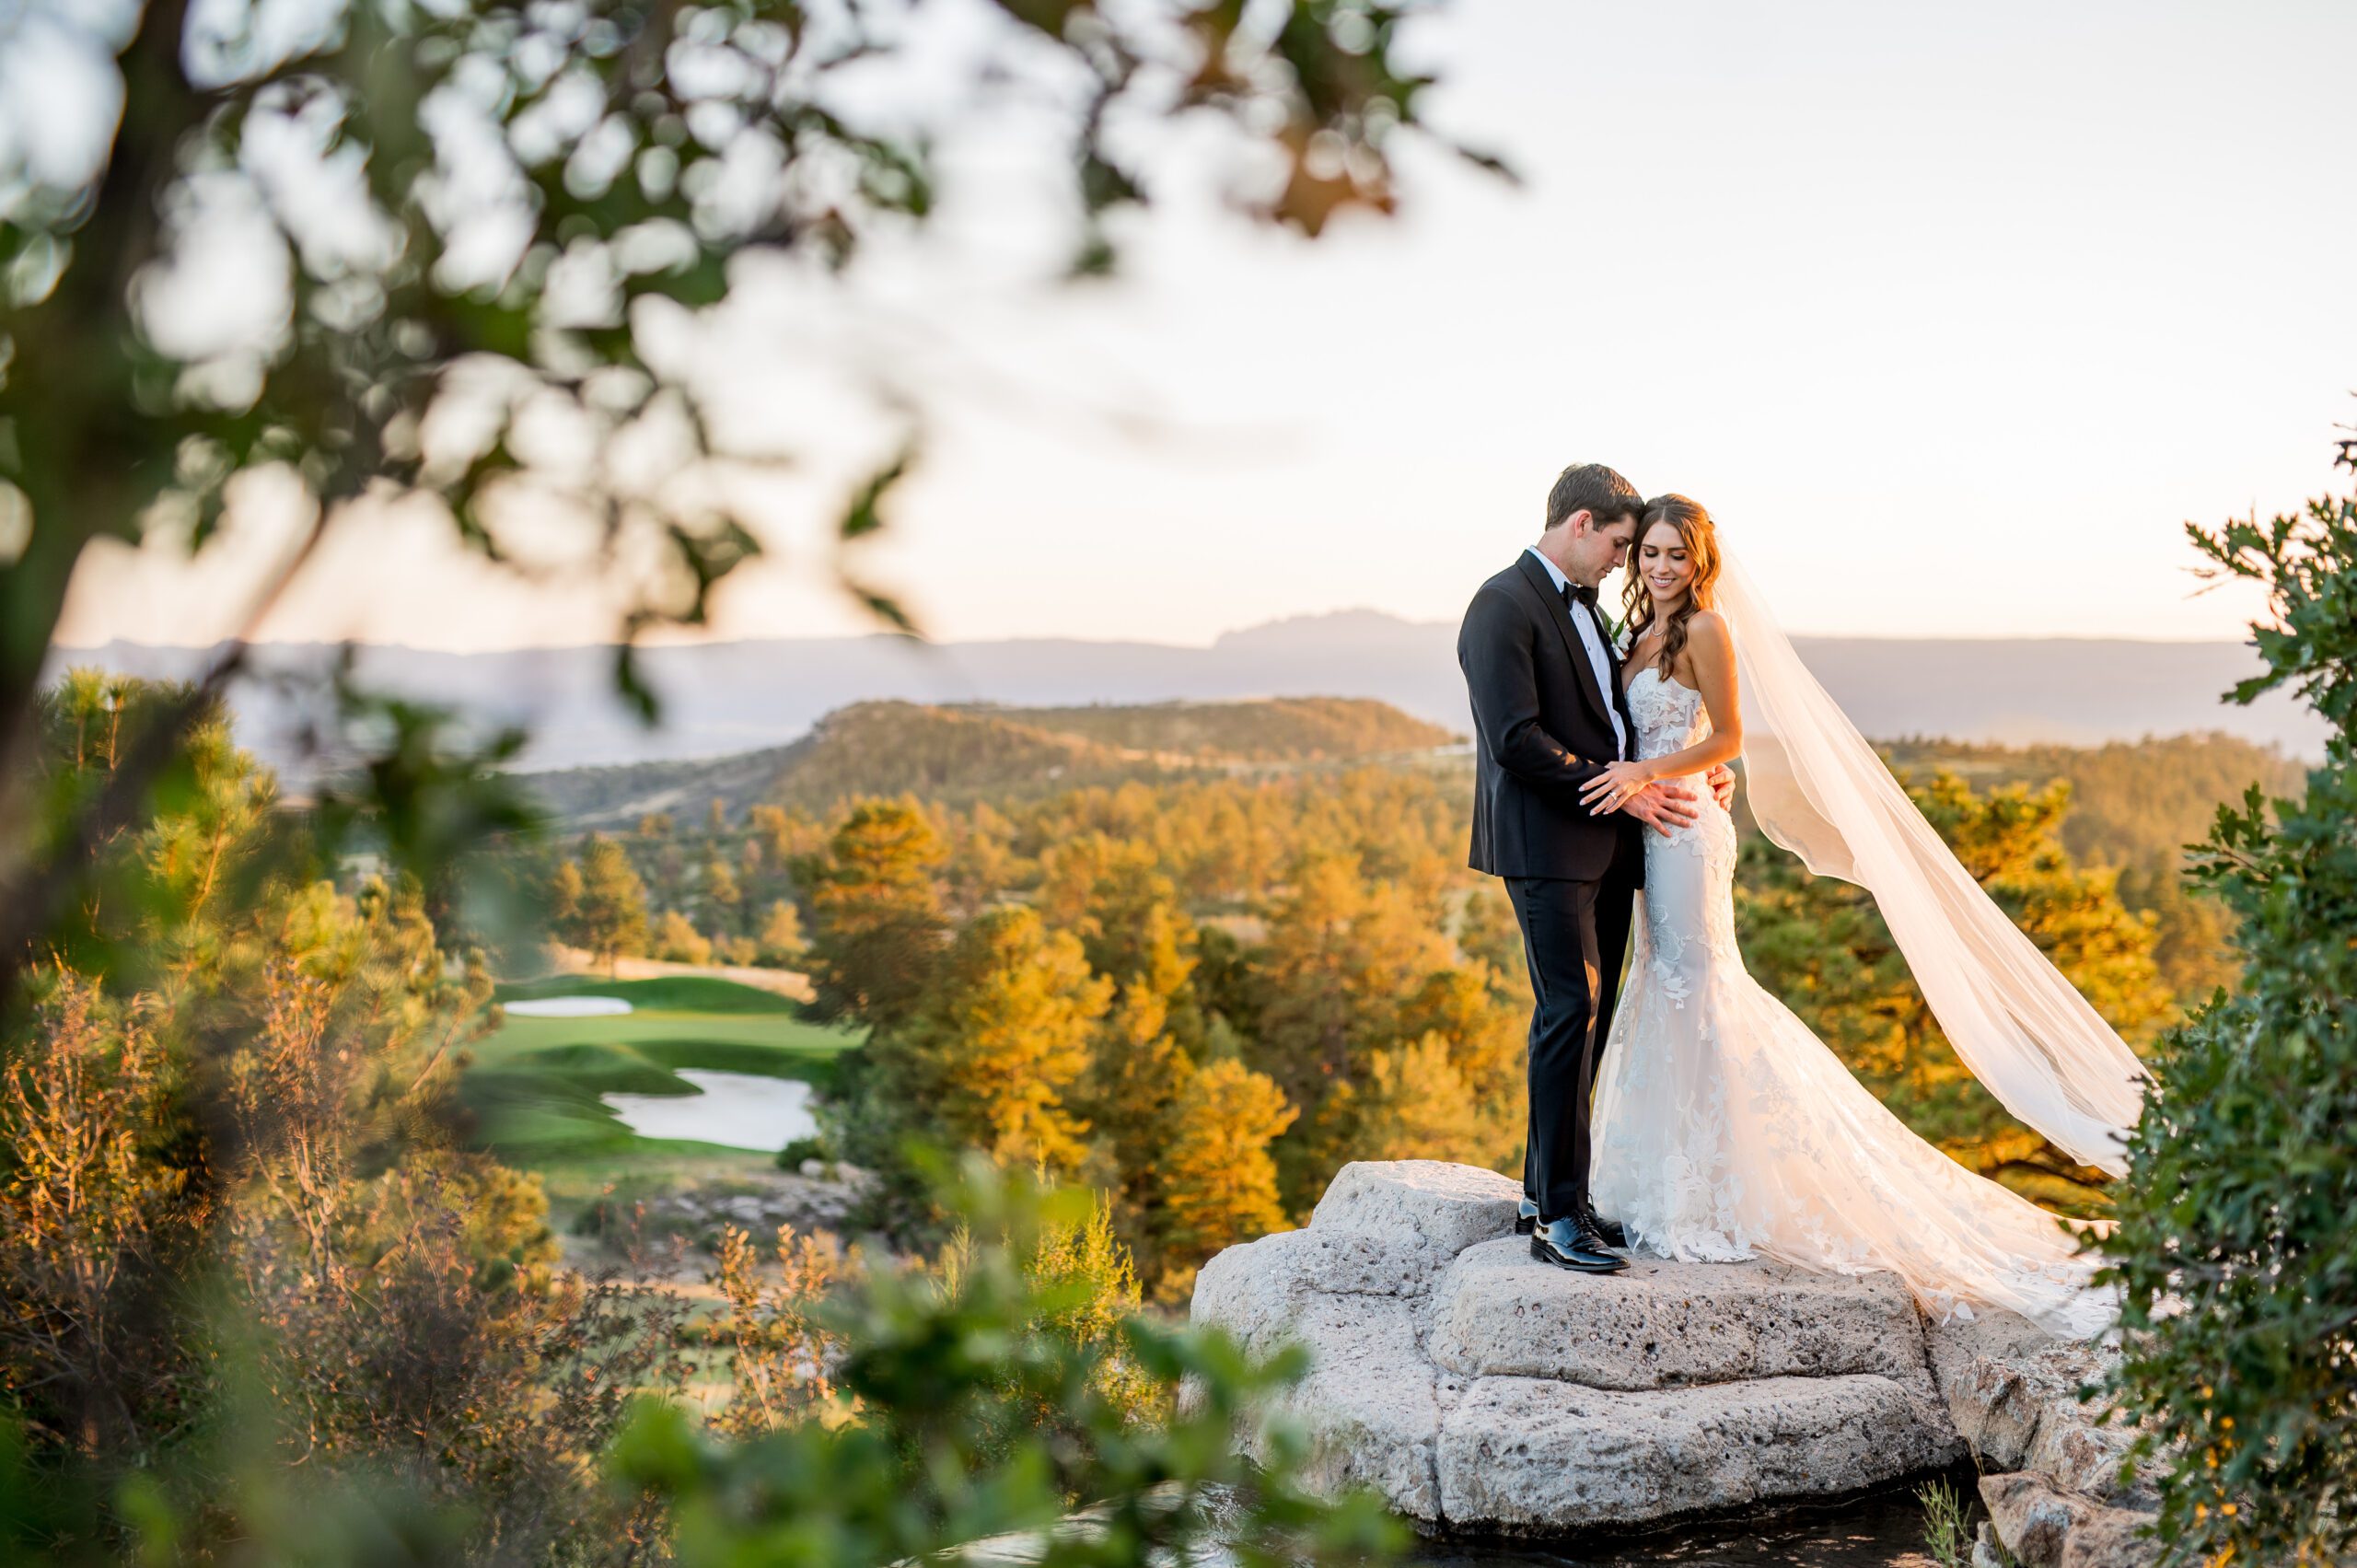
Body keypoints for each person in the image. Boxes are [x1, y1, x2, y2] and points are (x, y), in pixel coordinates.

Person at [1578, 494, 2141, 1338]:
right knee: (1662, 988)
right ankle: (1667, 1181)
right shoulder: (1640, 635)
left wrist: (1648, 774)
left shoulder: (1706, 631)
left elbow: (1727, 736)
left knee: (1697, 989)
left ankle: (1710, 1189)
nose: (1659, 567)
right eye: (1649, 553)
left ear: (1699, 562)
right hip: (1656, 833)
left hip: (1688, 836)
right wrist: (1639, 773)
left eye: (1673, 555)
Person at [1456, 463, 1736, 1276]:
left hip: (1613, 844)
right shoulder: (1501, 604)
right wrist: (1635, 787)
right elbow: (1515, 738)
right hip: (1548, 846)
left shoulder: (1601, 616)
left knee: (1590, 1015)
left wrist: (1690, 769)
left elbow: (1631, 719)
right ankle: (1554, 1215)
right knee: (1566, 1012)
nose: (1627, 564)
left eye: (1647, 550)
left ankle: (1552, 1189)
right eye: (1622, 545)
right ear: (1582, 525)